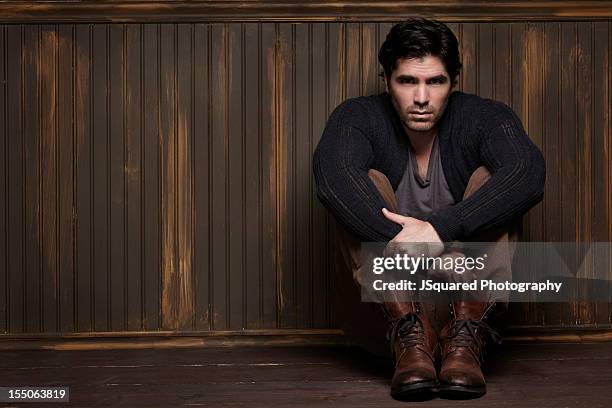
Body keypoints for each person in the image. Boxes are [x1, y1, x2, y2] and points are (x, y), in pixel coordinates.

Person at [312, 18, 545, 400]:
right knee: (362, 182)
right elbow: (332, 180)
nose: (421, 97)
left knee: (495, 180)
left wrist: (437, 230)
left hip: (468, 316)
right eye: (407, 81)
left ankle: (463, 342)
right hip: (388, 321)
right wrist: (416, 250)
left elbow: (527, 174)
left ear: (454, 81)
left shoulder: (483, 118)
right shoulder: (358, 118)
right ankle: (412, 336)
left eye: (435, 81)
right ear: (386, 80)